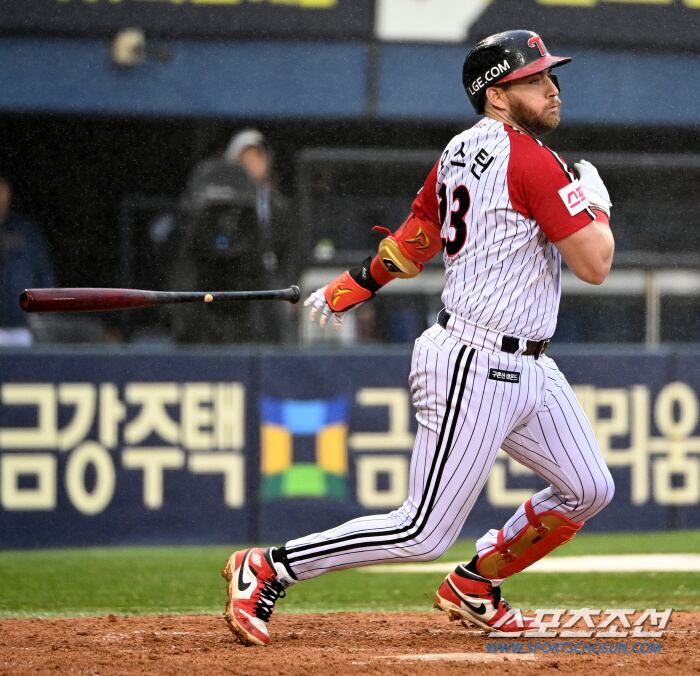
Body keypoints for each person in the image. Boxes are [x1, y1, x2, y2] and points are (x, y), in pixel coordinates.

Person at [221, 29, 616, 646]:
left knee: (588, 488)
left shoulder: (460, 149)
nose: (551, 87)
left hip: (530, 364)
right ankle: (268, 567)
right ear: (496, 95)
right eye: (534, 78)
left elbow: (420, 233)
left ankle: (475, 584)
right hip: (474, 361)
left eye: (550, 75)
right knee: (422, 532)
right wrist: (596, 205)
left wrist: (359, 282)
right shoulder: (533, 160)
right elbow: (595, 264)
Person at [0, 173, 55, 346]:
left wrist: (46, 309)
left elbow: (44, 273)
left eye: (2, 189)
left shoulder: (26, 231)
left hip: (22, 327)